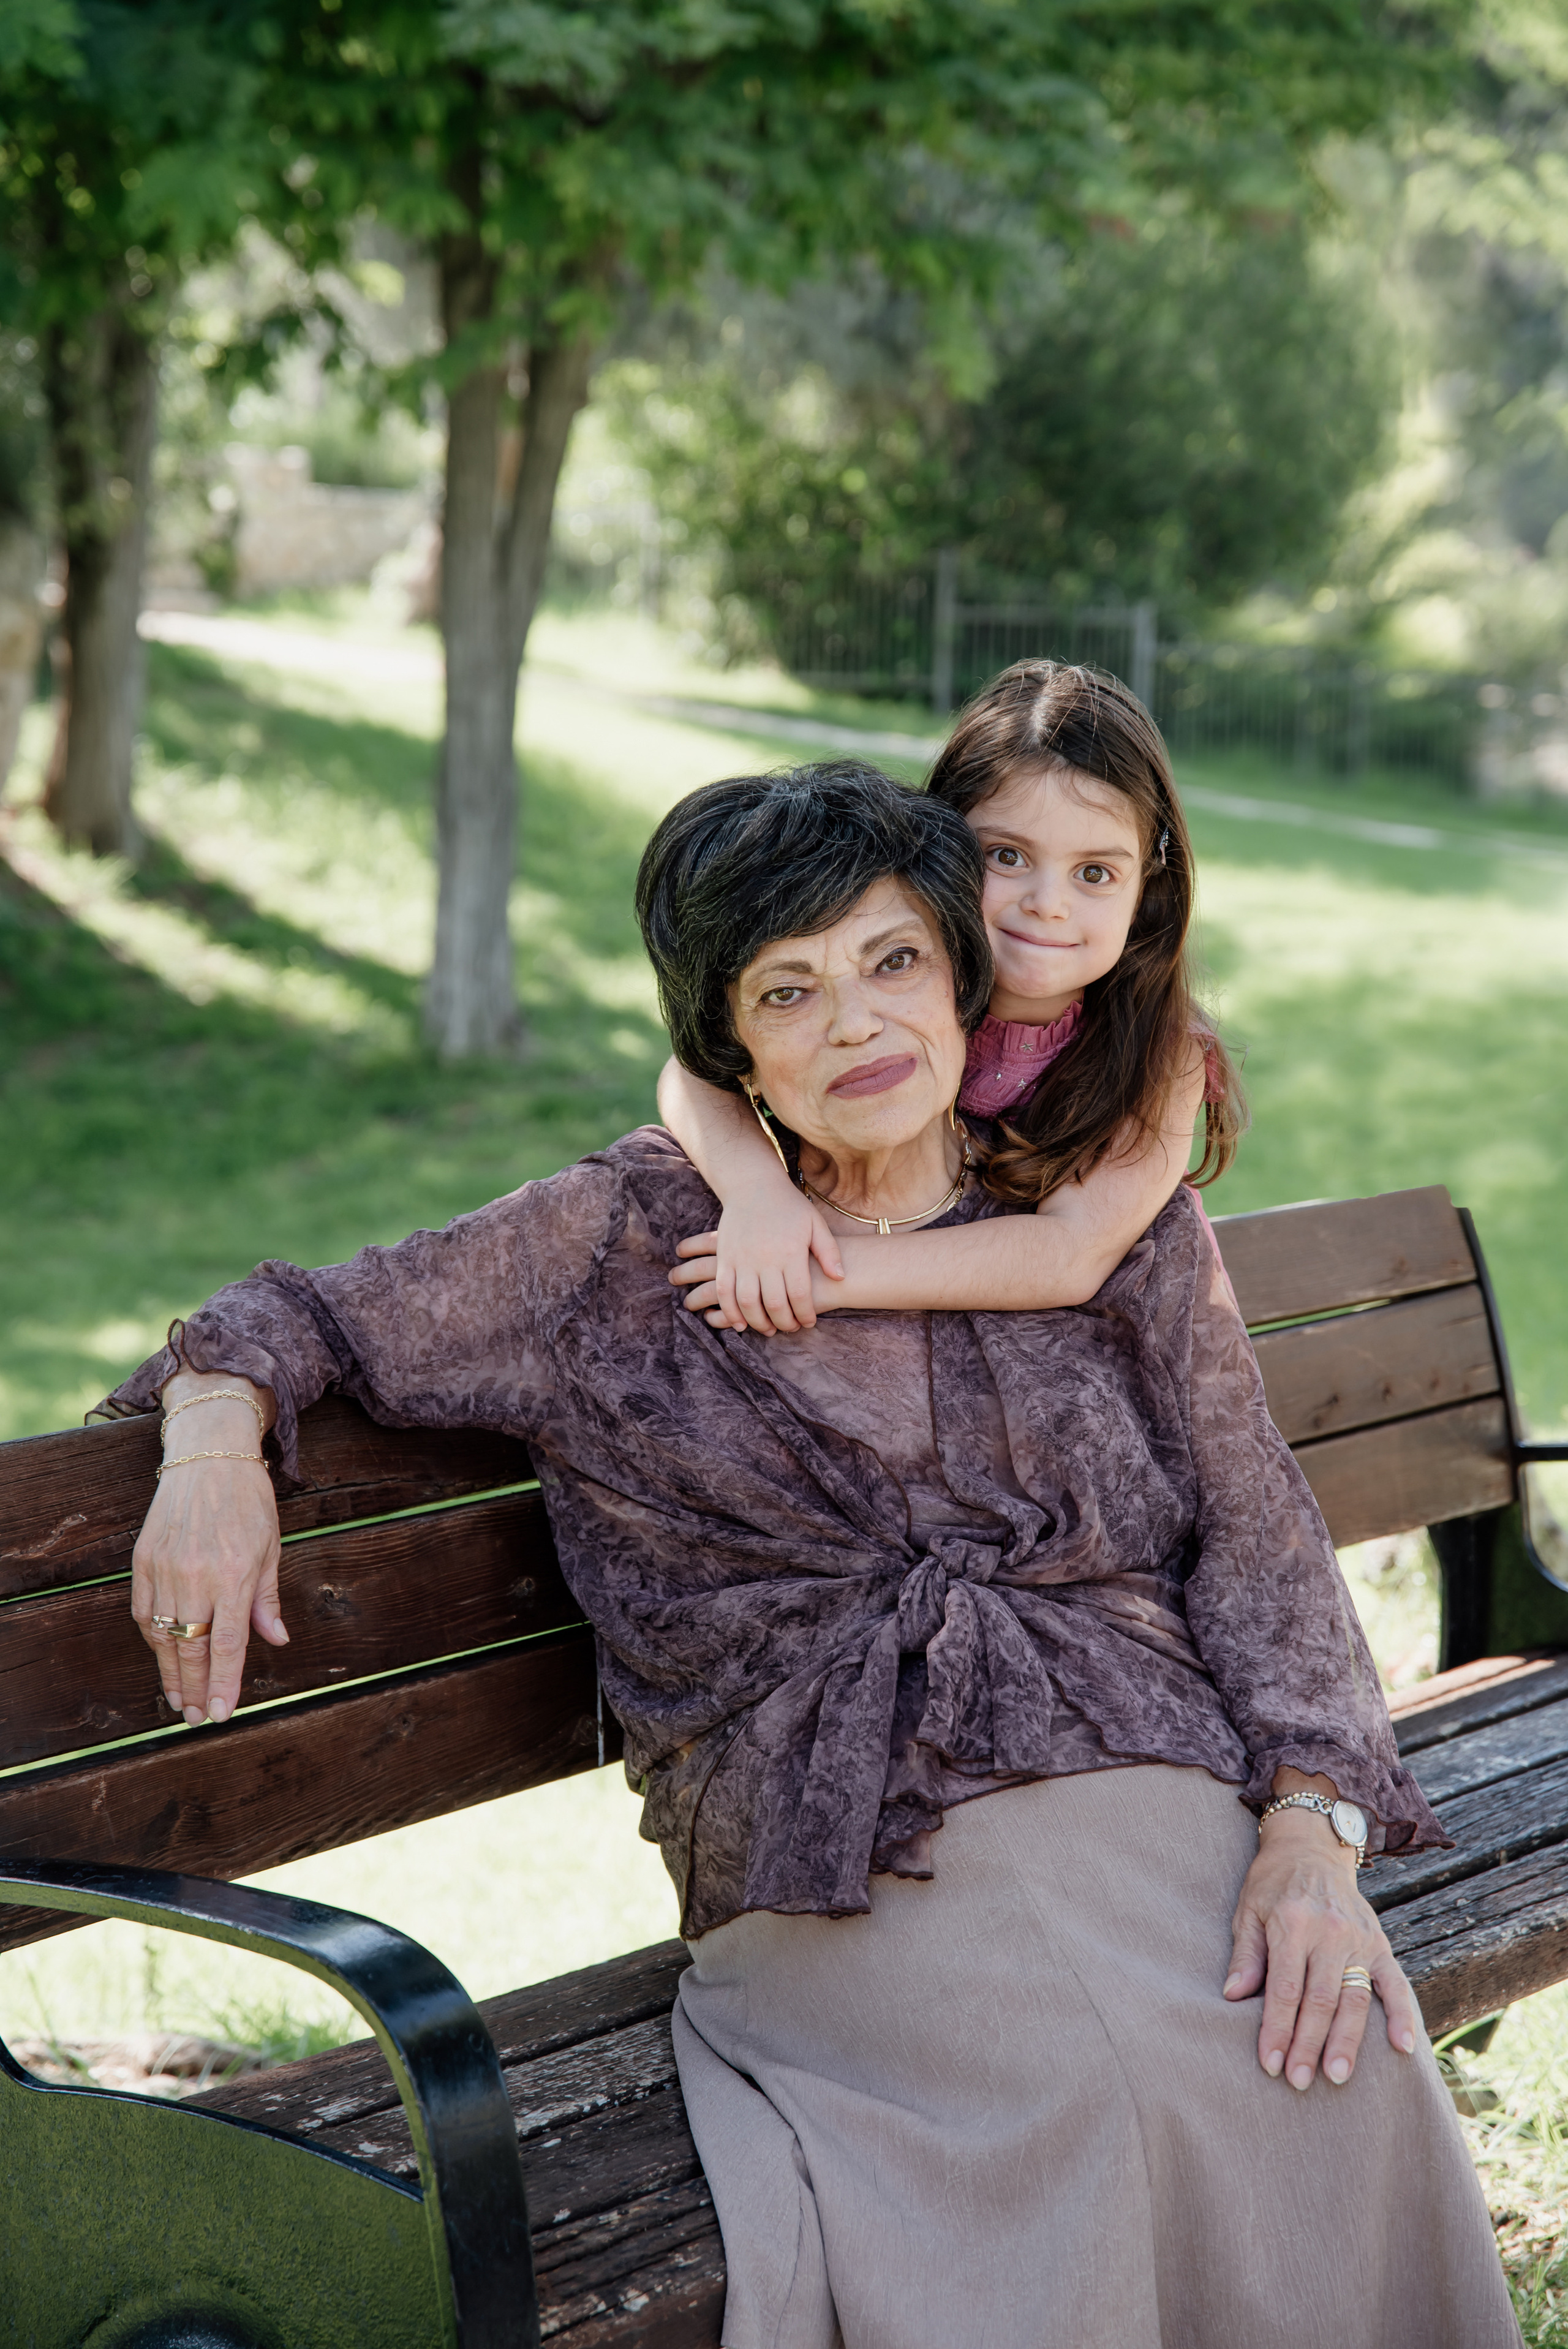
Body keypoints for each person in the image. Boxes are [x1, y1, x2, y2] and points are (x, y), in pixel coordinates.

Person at [107, 762, 1518, 2349]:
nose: (855, 1024)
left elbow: (1259, 1531)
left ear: (961, 977)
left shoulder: (1097, 1221)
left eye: (892, 961)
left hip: (1152, 1787)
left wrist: (1312, 1833)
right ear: (731, 1050)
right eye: (789, 990)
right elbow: (288, 1315)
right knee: (1098, 2088)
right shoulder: (621, 1236)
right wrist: (214, 1445)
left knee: (1333, 2053)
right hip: (834, 1852)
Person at [658, 660, 1240, 1338]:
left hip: (1110, 1347)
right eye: (1007, 856)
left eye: (1094, 872)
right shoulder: (903, 993)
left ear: (1146, 890)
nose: (1048, 904)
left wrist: (817, 1270)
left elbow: (1070, 1253)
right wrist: (758, 1195)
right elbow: (696, 1071)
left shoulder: (1163, 1052)